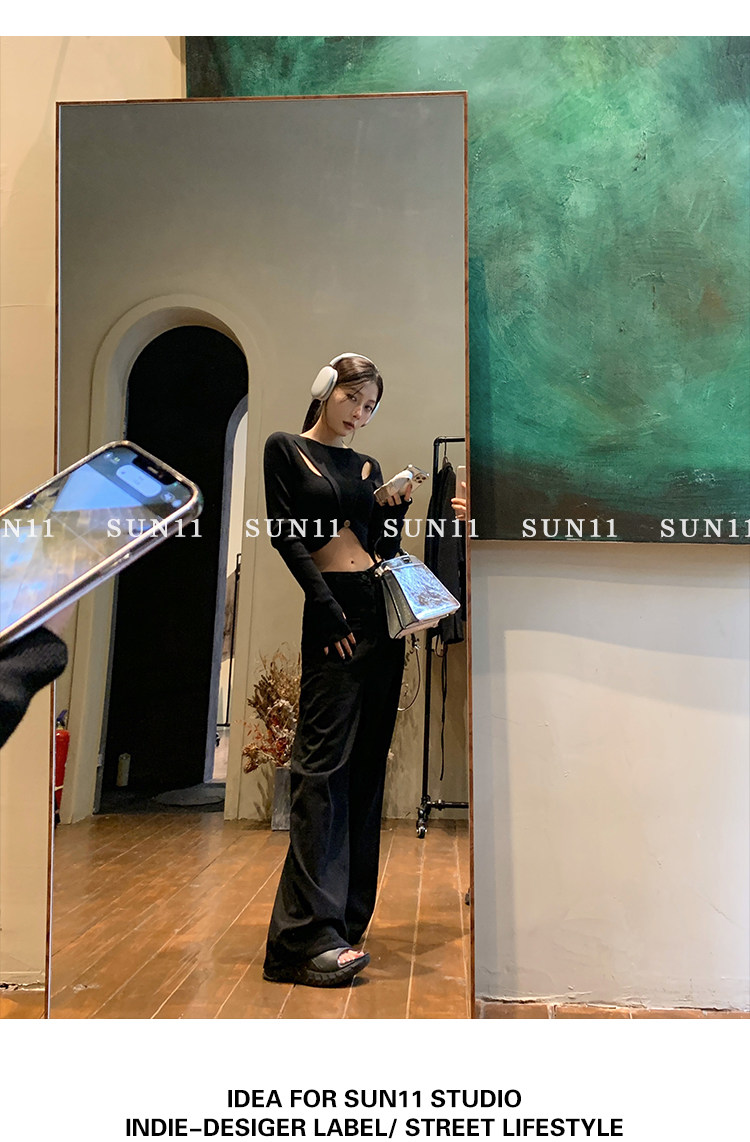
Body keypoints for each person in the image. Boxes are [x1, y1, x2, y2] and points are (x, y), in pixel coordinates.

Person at [261, 353, 412, 987]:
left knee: (366, 767)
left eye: (370, 405)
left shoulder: (368, 467)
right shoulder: (286, 449)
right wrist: (327, 613)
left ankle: (346, 919)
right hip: (334, 611)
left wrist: (396, 509)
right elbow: (285, 536)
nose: (360, 413)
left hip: (378, 613)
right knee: (320, 770)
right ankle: (300, 939)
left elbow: (381, 547)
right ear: (326, 389)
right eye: (353, 398)